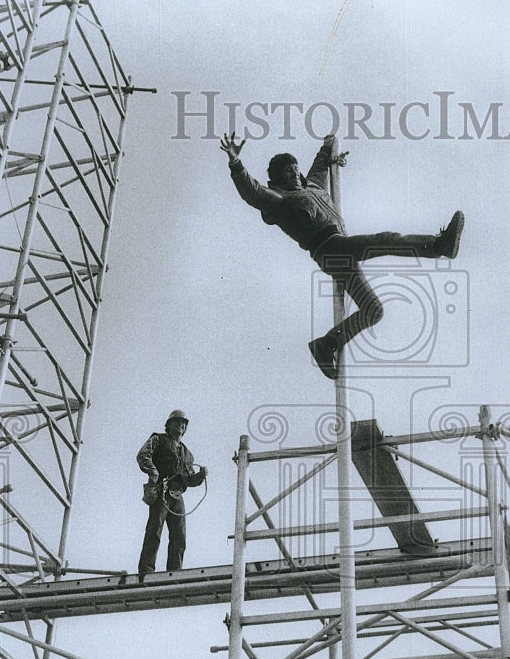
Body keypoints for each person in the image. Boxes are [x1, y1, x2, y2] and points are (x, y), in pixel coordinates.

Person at [220, 131, 465, 379]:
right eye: (287, 171)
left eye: (295, 168)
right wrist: (235, 163)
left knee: (374, 310)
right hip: (329, 248)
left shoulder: (313, 185)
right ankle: (438, 246)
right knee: (383, 240)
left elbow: (318, 166)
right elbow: (252, 192)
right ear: (278, 179)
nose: (294, 172)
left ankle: (326, 345)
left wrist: (328, 146)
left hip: (342, 250)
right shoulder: (280, 198)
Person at [136, 410, 208, 576]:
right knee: (155, 529)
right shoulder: (158, 440)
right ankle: (146, 569)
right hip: (162, 490)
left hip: (177, 494)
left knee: (179, 535)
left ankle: (175, 571)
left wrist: (200, 477)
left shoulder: (187, 454)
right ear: (169, 425)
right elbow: (143, 456)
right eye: (177, 422)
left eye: (184, 423)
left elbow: (189, 479)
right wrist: (154, 474)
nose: (181, 425)